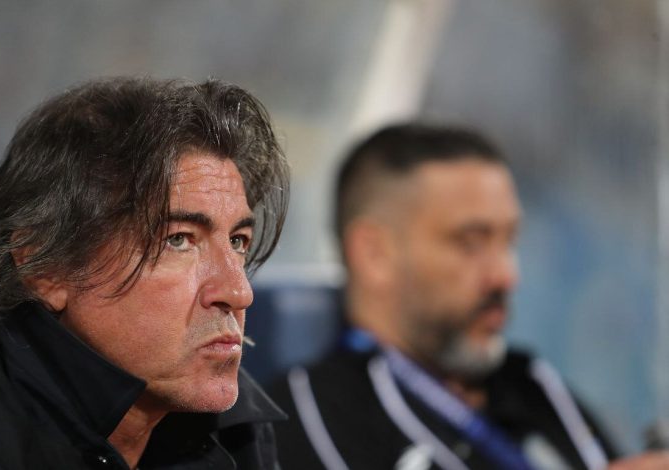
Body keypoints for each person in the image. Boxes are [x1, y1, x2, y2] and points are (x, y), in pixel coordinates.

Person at [0, 77, 290, 469]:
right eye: (178, 239)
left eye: (238, 241)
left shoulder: (228, 419)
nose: (239, 292)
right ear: (44, 266)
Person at [268, 123, 669, 469]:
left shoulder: (531, 385)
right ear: (375, 254)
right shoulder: (308, 414)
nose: (506, 276)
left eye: (509, 241)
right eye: (471, 242)